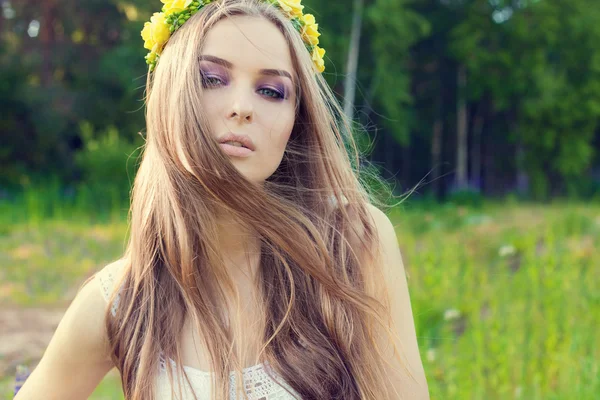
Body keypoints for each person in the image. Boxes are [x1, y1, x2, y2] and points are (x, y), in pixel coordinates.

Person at [15, 0, 429, 399]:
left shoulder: (352, 243)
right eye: (211, 79)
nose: (242, 108)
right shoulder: (121, 301)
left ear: (295, 123)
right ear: (169, 96)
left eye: (271, 91)